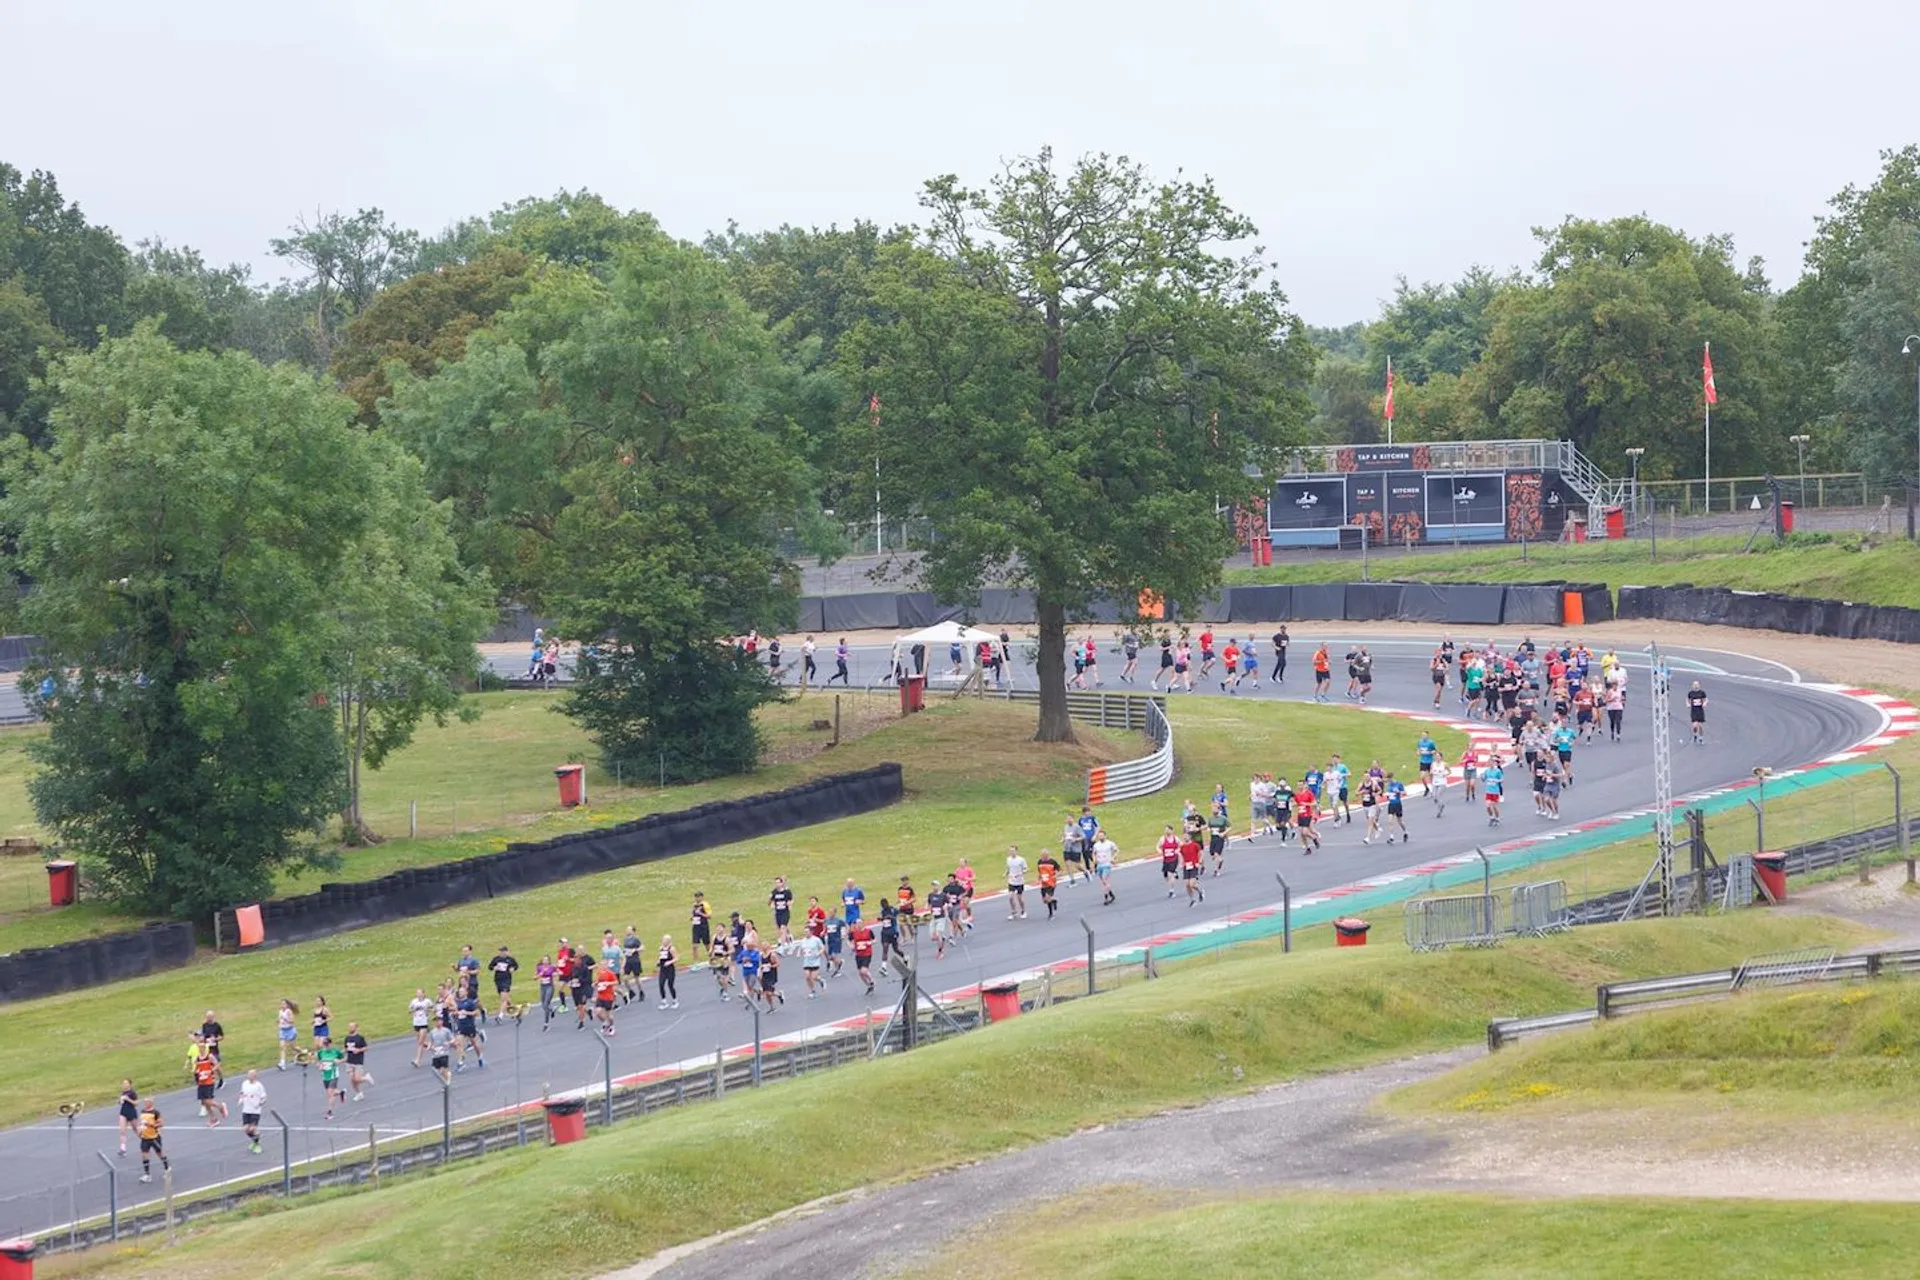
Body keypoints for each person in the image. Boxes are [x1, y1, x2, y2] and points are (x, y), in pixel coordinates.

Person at [136, 1099, 169, 1183]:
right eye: (145, 1102)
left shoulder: (156, 1112)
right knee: (144, 1155)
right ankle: (147, 1175)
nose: (145, 1104)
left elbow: (161, 1124)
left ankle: (167, 1169)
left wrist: (151, 1125)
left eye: (147, 1102)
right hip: (145, 1137)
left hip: (154, 1137)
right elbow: (141, 1123)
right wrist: (140, 1131)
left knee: (159, 1153)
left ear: (151, 1103)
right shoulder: (142, 1111)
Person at [193, 1047, 226, 1126]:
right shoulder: (197, 1058)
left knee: (208, 1101)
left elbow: (217, 1064)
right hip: (201, 1082)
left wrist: (211, 1070)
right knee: (204, 1102)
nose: (201, 1049)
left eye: (202, 1047)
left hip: (209, 1081)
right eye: (200, 1047)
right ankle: (213, 1119)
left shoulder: (209, 1056)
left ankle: (220, 1107)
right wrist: (197, 1072)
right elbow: (196, 1068)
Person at [316, 1036, 346, 1120]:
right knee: (331, 1092)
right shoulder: (321, 1052)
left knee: (330, 1094)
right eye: (324, 1044)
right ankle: (341, 1092)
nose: (325, 1046)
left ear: (330, 1044)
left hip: (333, 1075)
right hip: (325, 1075)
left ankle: (330, 1112)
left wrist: (339, 1061)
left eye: (327, 1044)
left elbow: (345, 1058)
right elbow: (318, 1061)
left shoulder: (336, 1051)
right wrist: (319, 1066)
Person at [238, 1070, 266, 1155]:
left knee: (252, 1128)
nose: (248, 1076)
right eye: (248, 1074)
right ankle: (254, 1140)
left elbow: (264, 1097)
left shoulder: (259, 1086)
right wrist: (240, 1099)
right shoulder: (244, 1083)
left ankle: (257, 1145)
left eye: (250, 1075)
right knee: (245, 1129)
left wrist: (260, 1103)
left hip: (255, 1110)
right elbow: (242, 1093)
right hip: (246, 1109)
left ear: (254, 1076)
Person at [490, 945, 519, 1021]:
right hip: (498, 980)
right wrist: (494, 968)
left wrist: (513, 969)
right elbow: (490, 967)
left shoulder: (510, 960)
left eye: (503, 951)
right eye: (500, 951)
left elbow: (516, 966)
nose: (501, 953)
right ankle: (515, 1011)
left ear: (506, 952)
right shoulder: (496, 959)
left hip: (506, 980)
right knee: (505, 998)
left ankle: (500, 1016)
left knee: (503, 999)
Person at [198, 1010, 225, 1088]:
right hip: (206, 1048)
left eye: (210, 1017)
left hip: (214, 1048)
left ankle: (221, 1079)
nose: (208, 1018)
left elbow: (222, 1036)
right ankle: (210, 1080)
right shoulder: (204, 1025)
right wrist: (202, 1039)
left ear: (213, 1017)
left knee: (216, 1065)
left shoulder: (217, 1026)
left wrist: (215, 1039)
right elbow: (203, 1034)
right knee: (207, 1065)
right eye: (207, 1017)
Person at [1179, 828, 1206, 906]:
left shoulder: (1195, 845)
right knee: (1187, 884)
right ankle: (1192, 899)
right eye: (1184, 836)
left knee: (1192, 884)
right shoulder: (1183, 846)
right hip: (1186, 866)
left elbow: (1201, 852)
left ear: (1190, 837)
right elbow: (1181, 855)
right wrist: (1181, 864)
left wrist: (1199, 861)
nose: (1185, 837)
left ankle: (1200, 891)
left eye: (1186, 836)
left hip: (1194, 865)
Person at [850, 917, 876, 993]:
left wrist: (870, 943)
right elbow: (849, 940)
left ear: (863, 923)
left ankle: (872, 980)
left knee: (864, 971)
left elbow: (874, 939)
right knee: (860, 973)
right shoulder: (853, 933)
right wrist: (851, 946)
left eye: (860, 923)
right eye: (857, 923)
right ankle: (868, 986)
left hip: (867, 953)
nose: (858, 925)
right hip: (858, 954)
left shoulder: (868, 931)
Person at [620, 926, 645, 1004]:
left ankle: (641, 992)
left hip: (635, 961)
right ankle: (631, 991)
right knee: (625, 978)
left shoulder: (635, 939)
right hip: (628, 961)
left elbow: (642, 947)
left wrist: (635, 950)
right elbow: (624, 949)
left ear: (633, 931)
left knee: (637, 977)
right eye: (627, 929)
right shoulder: (625, 940)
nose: (627, 931)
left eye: (629, 930)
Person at [594, 961, 620, 1034]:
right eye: (601, 965)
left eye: (604, 965)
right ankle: (606, 1023)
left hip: (608, 997)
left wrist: (608, 983)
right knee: (598, 1012)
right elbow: (599, 981)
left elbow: (616, 982)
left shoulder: (610, 973)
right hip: (600, 996)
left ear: (607, 966)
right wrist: (595, 983)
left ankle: (612, 1026)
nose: (603, 966)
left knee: (609, 1015)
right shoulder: (599, 972)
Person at [1092, 829, 1117, 904]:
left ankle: (1106, 897)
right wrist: (1094, 860)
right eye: (1099, 836)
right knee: (1103, 882)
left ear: (1105, 836)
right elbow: (1093, 853)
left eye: (1102, 835)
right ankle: (1111, 894)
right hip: (1099, 865)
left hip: (1107, 864)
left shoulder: (1110, 843)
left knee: (1105, 879)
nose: (1100, 837)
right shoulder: (1096, 845)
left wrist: (1113, 858)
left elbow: (1116, 850)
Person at [798, 928, 825, 997]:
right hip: (807, 961)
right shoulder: (803, 941)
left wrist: (819, 953)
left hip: (815, 961)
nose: (806, 933)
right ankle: (813, 991)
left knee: (814, 977)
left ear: (811, 932)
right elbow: (800, 948)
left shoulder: (816, 940)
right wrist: (799, 953)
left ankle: (821, 980)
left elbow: (822, 948)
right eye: (805, 932)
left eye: (807, 932)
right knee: (807, 977)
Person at [1385, 773, 1410, 843]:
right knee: (1390, 821)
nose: (1389, 781)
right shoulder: (1389, 785)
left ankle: (1405, 832)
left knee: (1400, 821)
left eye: (1389, 779)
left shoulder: (1399, 784)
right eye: (1388, 779)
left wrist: (1398, 792)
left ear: (1392, 778)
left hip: (1397, 804)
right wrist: (1388, 796)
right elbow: (1388, 794)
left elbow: (1405, 793)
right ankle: (1391, 837)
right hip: (1391, 804)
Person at [427, 1020, 455, 1085]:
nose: (437, 1023)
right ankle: (446, 1079)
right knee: (437, 1070)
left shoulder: (446, 1031)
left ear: (442, 1022)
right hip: (436, 1053)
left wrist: (448, 1043)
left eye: (438, 1021)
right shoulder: (432, 1032)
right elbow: (431, 1042)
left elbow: (453, 1039)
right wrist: (430, 1047)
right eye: (436, 1021)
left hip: (444, 1052)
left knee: (443, 1069)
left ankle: (447, 1082)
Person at [656, 935, 680, 1008]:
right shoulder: (661, 948)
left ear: (668, 941)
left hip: (670, 969)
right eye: (663, 940)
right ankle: (664, 1001)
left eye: (665, 940)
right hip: (663, 969)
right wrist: (658, 962)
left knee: (670, 985)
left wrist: (669, 962)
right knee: (661, 984)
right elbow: (660, 957)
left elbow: (676, 958)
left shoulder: (671, 949)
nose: (663, 941)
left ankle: (675, 1000)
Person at [1005, 845, 1029, 919]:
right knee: (1010, 897)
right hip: (1011, 881)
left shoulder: (1021, 860)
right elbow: (1008, 869)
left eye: (1013, 851)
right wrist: (1005, 873)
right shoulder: (1008, 859)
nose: (1012, 852)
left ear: (1016, 851)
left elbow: (1026, 869)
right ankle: (1014, 912)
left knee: (1019, 898)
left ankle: (1023, 911)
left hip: (1019, 882)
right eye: (1010, 851)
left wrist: (1020, 874)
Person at [770, 875, 795, 942]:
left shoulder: (787, 892)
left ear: (781, 883)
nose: (777, 884)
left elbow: (791, 900)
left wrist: (790, 904)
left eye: (778, 883)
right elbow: (771, 901)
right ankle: (788, 940)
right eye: (776, 883)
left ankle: (782, 944)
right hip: (778, 913)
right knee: (781, 930)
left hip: (785, 912)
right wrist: (772, 905)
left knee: (783, 928)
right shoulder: (774, 892)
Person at [1358, 771, 1382, 844]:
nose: (1367, 778)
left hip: (1372, 804)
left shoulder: (1373, 784)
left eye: (1368, 776)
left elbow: (1380, 790)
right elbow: (1356, 792)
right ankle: (1377, 828)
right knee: (1369, 819)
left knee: (1370, 821)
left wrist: (1376, 794)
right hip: (1365, 804)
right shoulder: (1361, 784)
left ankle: (1367, 838)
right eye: (1365, 776)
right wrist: (1361, 792)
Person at [1036, 848, 1060, 919]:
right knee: (1045, 900)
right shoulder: (1040, 862)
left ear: (1047, 855)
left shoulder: (1052, 862)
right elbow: (1040, 872)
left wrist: (1056, 875)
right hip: (1044, 883)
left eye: (1044, 855)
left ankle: (1051, 913)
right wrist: (1038, 879)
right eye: (1042, 855)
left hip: (1051, 883)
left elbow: (1058, 870)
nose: (1043, 857)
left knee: (1047, 897)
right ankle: (1054, 901)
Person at [117, 1078, 139, 1155]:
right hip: (123, 1112)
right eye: (123, 1083)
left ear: (130, 1084)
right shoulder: (123, 1093)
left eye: (126, 1083)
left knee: (135, 1129)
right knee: (122, 1131)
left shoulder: (132, 1093)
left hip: (131, 1112)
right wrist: (119, 1101)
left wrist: (128, 1099)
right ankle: (123, 1148)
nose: (124, 1085)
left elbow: (136, 1103)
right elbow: (121, 1103)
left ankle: (145, 1141)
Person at [709, 935, 734, 1001]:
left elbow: (732, 950)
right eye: (717, 928)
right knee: (717, 978)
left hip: (724, 960)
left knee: (723, 978)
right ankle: (724, 986)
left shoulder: (727, 939)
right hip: (716, 960)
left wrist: (726, 953)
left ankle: (726, 993)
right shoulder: (714, 937)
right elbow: (712, 947)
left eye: (720, 928)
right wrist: (710, 951)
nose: (719, 930)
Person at [276, 999, 299, 1070]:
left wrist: (285, 1019)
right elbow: (279, 1019)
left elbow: (292, 1021)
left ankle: (302, 1052)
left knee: (293, 1047)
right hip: (283, 1031)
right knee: (282, 1047)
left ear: (287, 1005)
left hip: (290, 1031)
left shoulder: (289, 1011)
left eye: (284, 1004)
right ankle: (282, 1063)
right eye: (281, 1004)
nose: (282, 1005)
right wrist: (278, 1021)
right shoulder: (280, 1011)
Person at [1484, 756, 1505, 827]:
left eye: (1491, 763)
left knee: (1494, 806)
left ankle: (1497, 818)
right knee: (1487, 806)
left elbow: (1502, 779)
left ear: (1493, 763)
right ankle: (1491, 817)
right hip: (1488, 791)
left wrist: (1497, 781)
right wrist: (1482, 777)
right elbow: (1484, 779)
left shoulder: (1497, 771)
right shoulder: (1487, 771)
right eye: (1489, 763)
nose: (1490, 764)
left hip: (1495, 791)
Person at [825, 912, 846, 977]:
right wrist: (823, 932)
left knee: (834, 955)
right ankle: (840, 962)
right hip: (830, 940)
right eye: (829, 912)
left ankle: (837, 970)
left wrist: (843, 935)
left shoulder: (839, 921)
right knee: (830, 957)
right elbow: (826, 928)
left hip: (836, 940)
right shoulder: (827, 920)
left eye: (831, 912)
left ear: (834, 913)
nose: (830, 913)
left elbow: (844, 927)